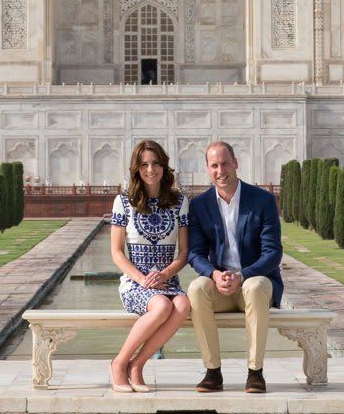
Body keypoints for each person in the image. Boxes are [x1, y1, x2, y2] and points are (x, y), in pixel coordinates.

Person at [187, 140, 283, 394]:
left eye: (225, 163)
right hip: (222, 286)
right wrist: (214, 274)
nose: (221, 171)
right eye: (214, 165)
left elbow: (273, 253)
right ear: (208, 169)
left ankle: (255, 372)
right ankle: (212, 372)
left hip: (254, 284)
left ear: (236, 163)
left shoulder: (261, 200)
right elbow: (194, 254)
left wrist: (242, 276)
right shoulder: (199, 205)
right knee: (196, 288)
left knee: (254, 286)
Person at [108, 139, 191, 393]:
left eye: (155, 163)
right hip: (135, 282)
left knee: (183, 304)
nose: (150, 169)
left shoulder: (179, 202)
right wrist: (142, 278)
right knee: (162, 304)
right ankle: (119, 363)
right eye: (144, 164)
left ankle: (137, 365)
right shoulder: (123, 202)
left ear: (164, 167)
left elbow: (184, 252)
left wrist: (165, 273)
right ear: (136, 169)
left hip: (167, 280)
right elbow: (116, 253)